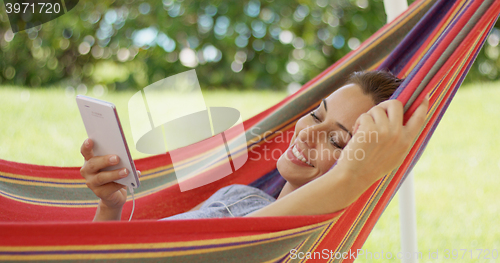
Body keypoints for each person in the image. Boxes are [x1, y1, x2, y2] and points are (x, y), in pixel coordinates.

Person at [79, 70, 429, 221]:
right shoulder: (238, 196)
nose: (307, 134)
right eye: (314, 114)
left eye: (336, 140)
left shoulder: (303, 248)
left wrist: (354, 174)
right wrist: (110, 207)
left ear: (365, 163)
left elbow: (251, 237)